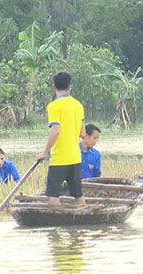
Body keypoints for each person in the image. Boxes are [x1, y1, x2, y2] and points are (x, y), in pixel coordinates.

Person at [36, 72, 86, 206]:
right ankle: (79, 218)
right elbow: (83, 133)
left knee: (52, 196)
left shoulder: (54, 106)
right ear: (70, 87)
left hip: (59, 159)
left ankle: (58, 224)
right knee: (78, 195)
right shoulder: (78, 105)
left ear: (54, 87)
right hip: (76, 157)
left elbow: (55, 130)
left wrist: (45, 152)